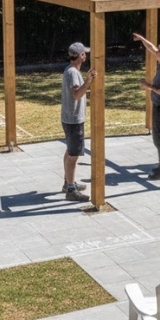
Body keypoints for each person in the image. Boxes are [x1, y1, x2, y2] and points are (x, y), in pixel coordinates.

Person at [133, 33, 160, 180]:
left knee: (158, 139)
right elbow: (151, 48)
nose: (156, 52)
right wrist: (142, 39)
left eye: (159, 52)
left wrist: (149, 86)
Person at [61, 41, 97, 202]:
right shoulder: (73, 73)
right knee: (73, 155)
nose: (86, 56)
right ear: (80, 56)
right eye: (84, 53)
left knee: (70, 151)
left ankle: (68, 182)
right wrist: (89, 80)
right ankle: (70, 190)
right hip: (74, 120)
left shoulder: (71, 70)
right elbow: (76, 95)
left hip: (70, 118)